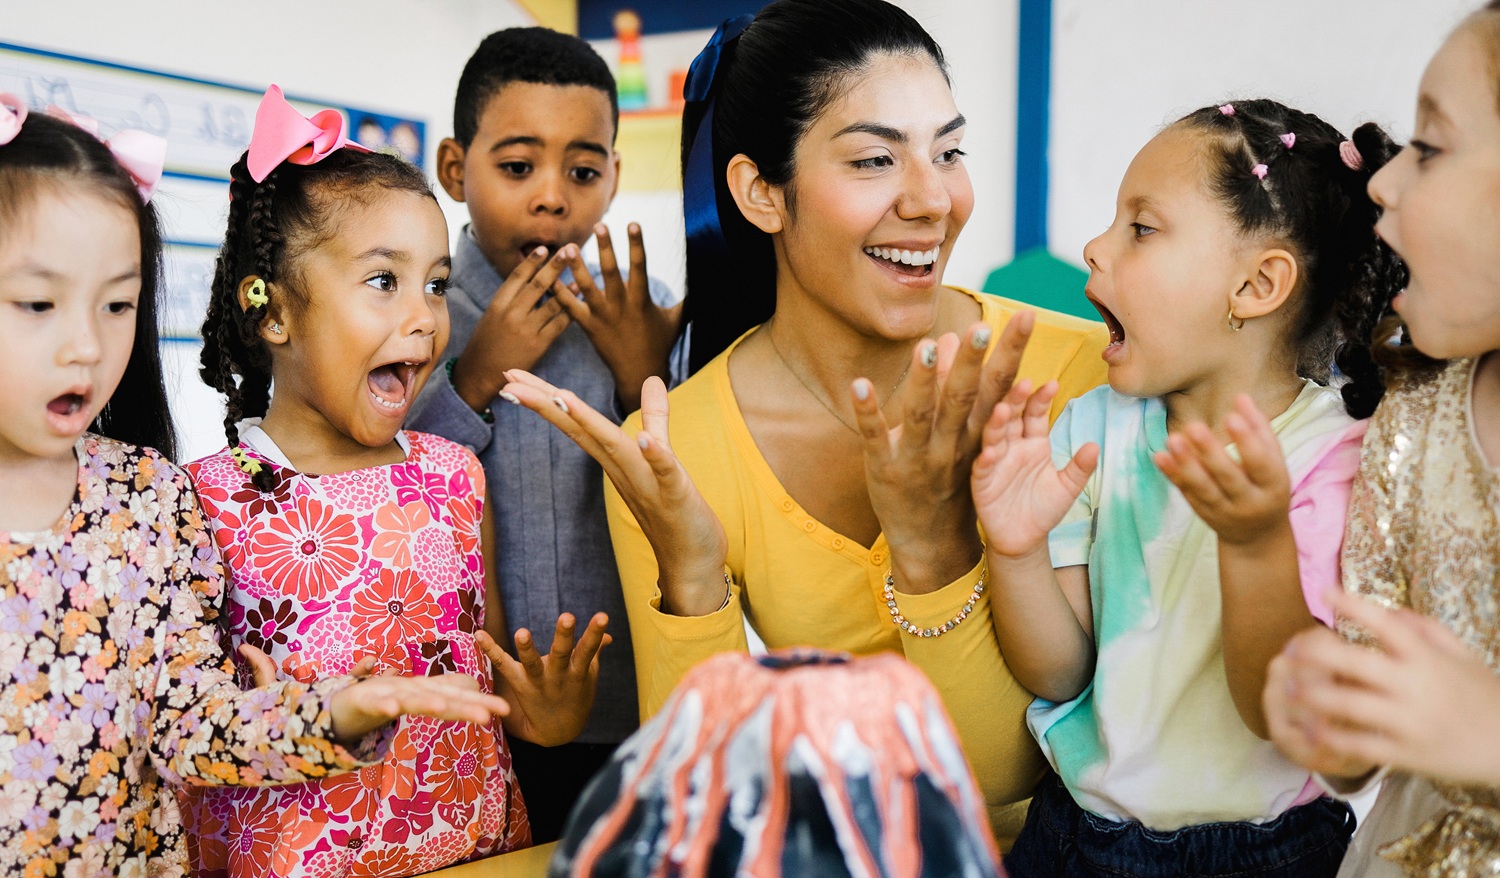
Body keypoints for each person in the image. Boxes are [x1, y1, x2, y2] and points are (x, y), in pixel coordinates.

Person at [500, 0, 1110, 843]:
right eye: (873, 159)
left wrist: (934, 541)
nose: (934, 199)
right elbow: (700, 800)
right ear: (761, 193)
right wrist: (693, 579)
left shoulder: (1081, 376)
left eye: (950, 151)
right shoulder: (680, 448)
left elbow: (1006, 781)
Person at [0, 97, 513, 878]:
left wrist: (326, 715)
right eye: (39, 302)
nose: (85, 344)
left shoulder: (147, 497)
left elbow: (188, 724)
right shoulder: (208, 494)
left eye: (117, 305)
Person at [183, 86, 608, 876]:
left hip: (482, 856)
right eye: (385, 281)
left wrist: (546, 714)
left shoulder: (452, 475)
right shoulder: (200, 503)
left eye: (438, 284)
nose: (425, 317)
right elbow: (188, 738)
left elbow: (492, 686)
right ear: (272, 311)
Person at [973, 98, 1404, 876]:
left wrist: (1255, 540)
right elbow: (1060, 672)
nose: (1094, 249)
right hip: (1074, 834)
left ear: (1256, 285)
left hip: (1261, 853)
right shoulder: (1089, 428)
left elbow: (1281, 715)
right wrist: (1014, 549)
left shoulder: (1336, 456)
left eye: (1140, 227)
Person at [408, 27, 681, 841]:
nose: (553, 196)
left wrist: (642, 375)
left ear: (614, 177)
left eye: (584, 170)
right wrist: (473, 375)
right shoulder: (422, 314)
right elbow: (389, 478)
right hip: (479, 710)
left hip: (631, 700)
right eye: (518, 166)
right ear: (457, 170)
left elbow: (692, 491)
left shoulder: (643, 306)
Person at [1263, 4, 1500, 874]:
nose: (1385, 183)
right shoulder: (1415, 416)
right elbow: (1355, 752)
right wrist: (1326, 710)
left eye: (1430, 150)